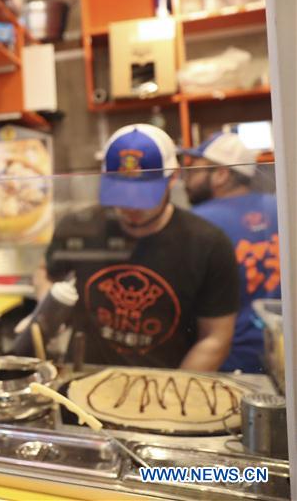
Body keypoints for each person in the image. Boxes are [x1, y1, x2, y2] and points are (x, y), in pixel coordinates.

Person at [40, 124, 239, 370]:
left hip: (163, 381)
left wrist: (174, 389)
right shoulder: (78, 227)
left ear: (172, 178)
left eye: (143, 195)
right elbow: (46, 272)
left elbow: (215, 337)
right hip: (85, 377)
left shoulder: (208, 244)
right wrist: (50, 309)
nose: (131, 207)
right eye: (121, 193)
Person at [182, 132, 280, 373]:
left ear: (221, 175)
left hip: (222, 360)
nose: (187, 179)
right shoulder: (280, 207)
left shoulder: (198, 223)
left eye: (194, 170)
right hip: (280, 355)